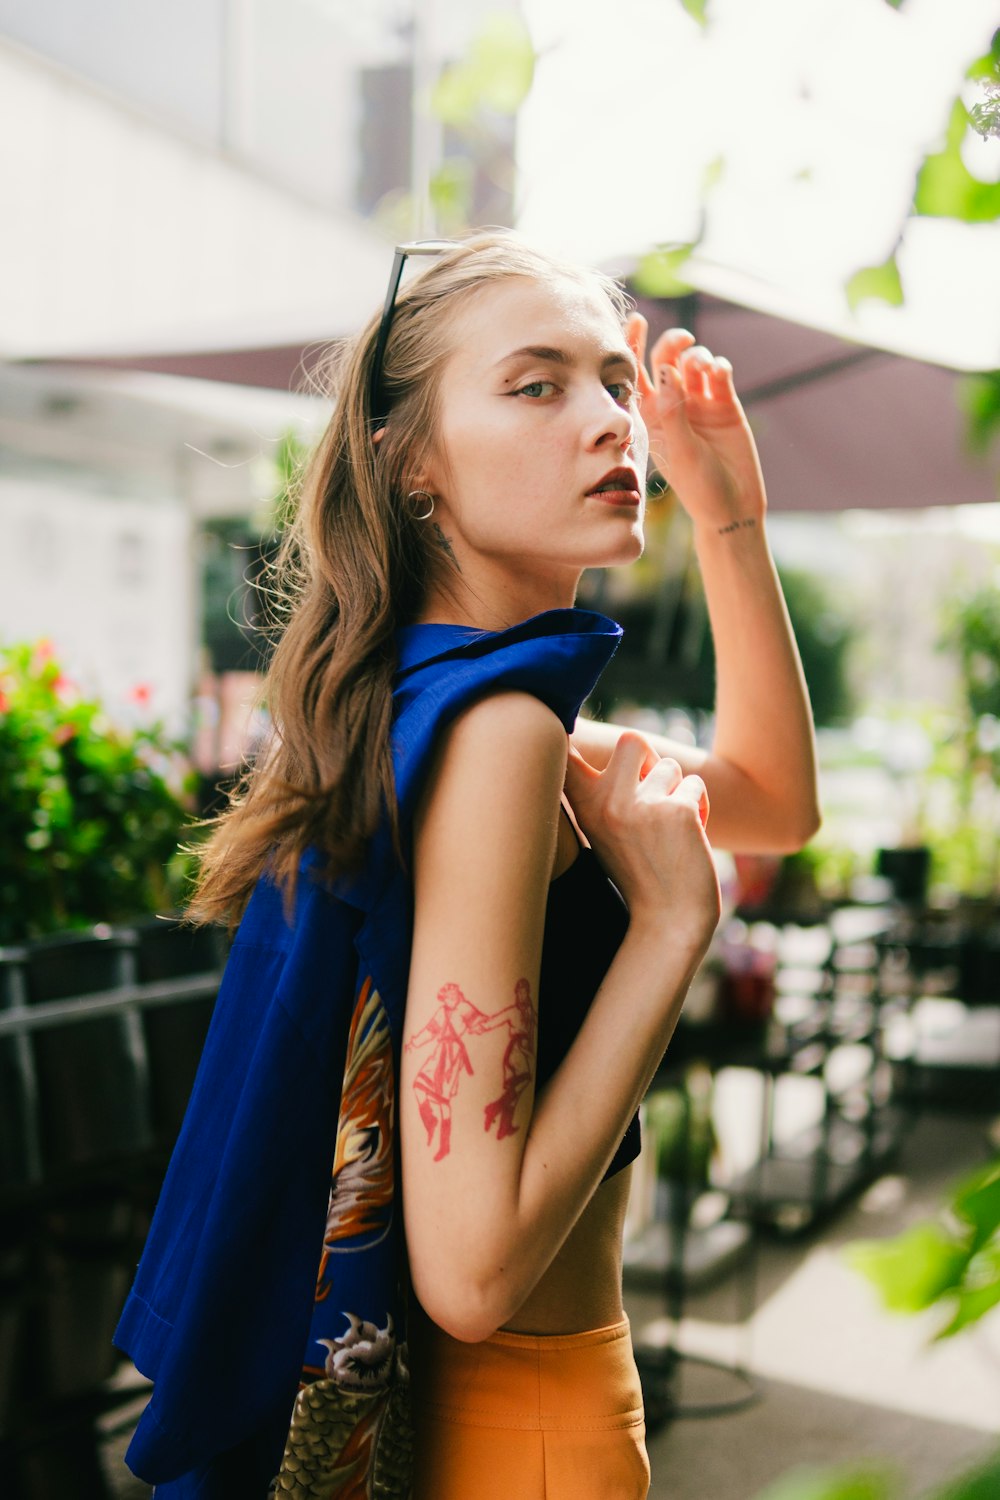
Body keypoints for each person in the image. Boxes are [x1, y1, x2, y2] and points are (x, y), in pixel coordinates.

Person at [114, 231, 819, 1499]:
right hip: (522, 1428)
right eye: (537, 384)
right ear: (413, 463)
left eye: (615, 380)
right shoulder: (500, 733)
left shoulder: (432, 702)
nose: (610, 420)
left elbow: (769, 800)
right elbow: (474, 1272)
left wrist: (731, 518)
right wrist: (667, 933)